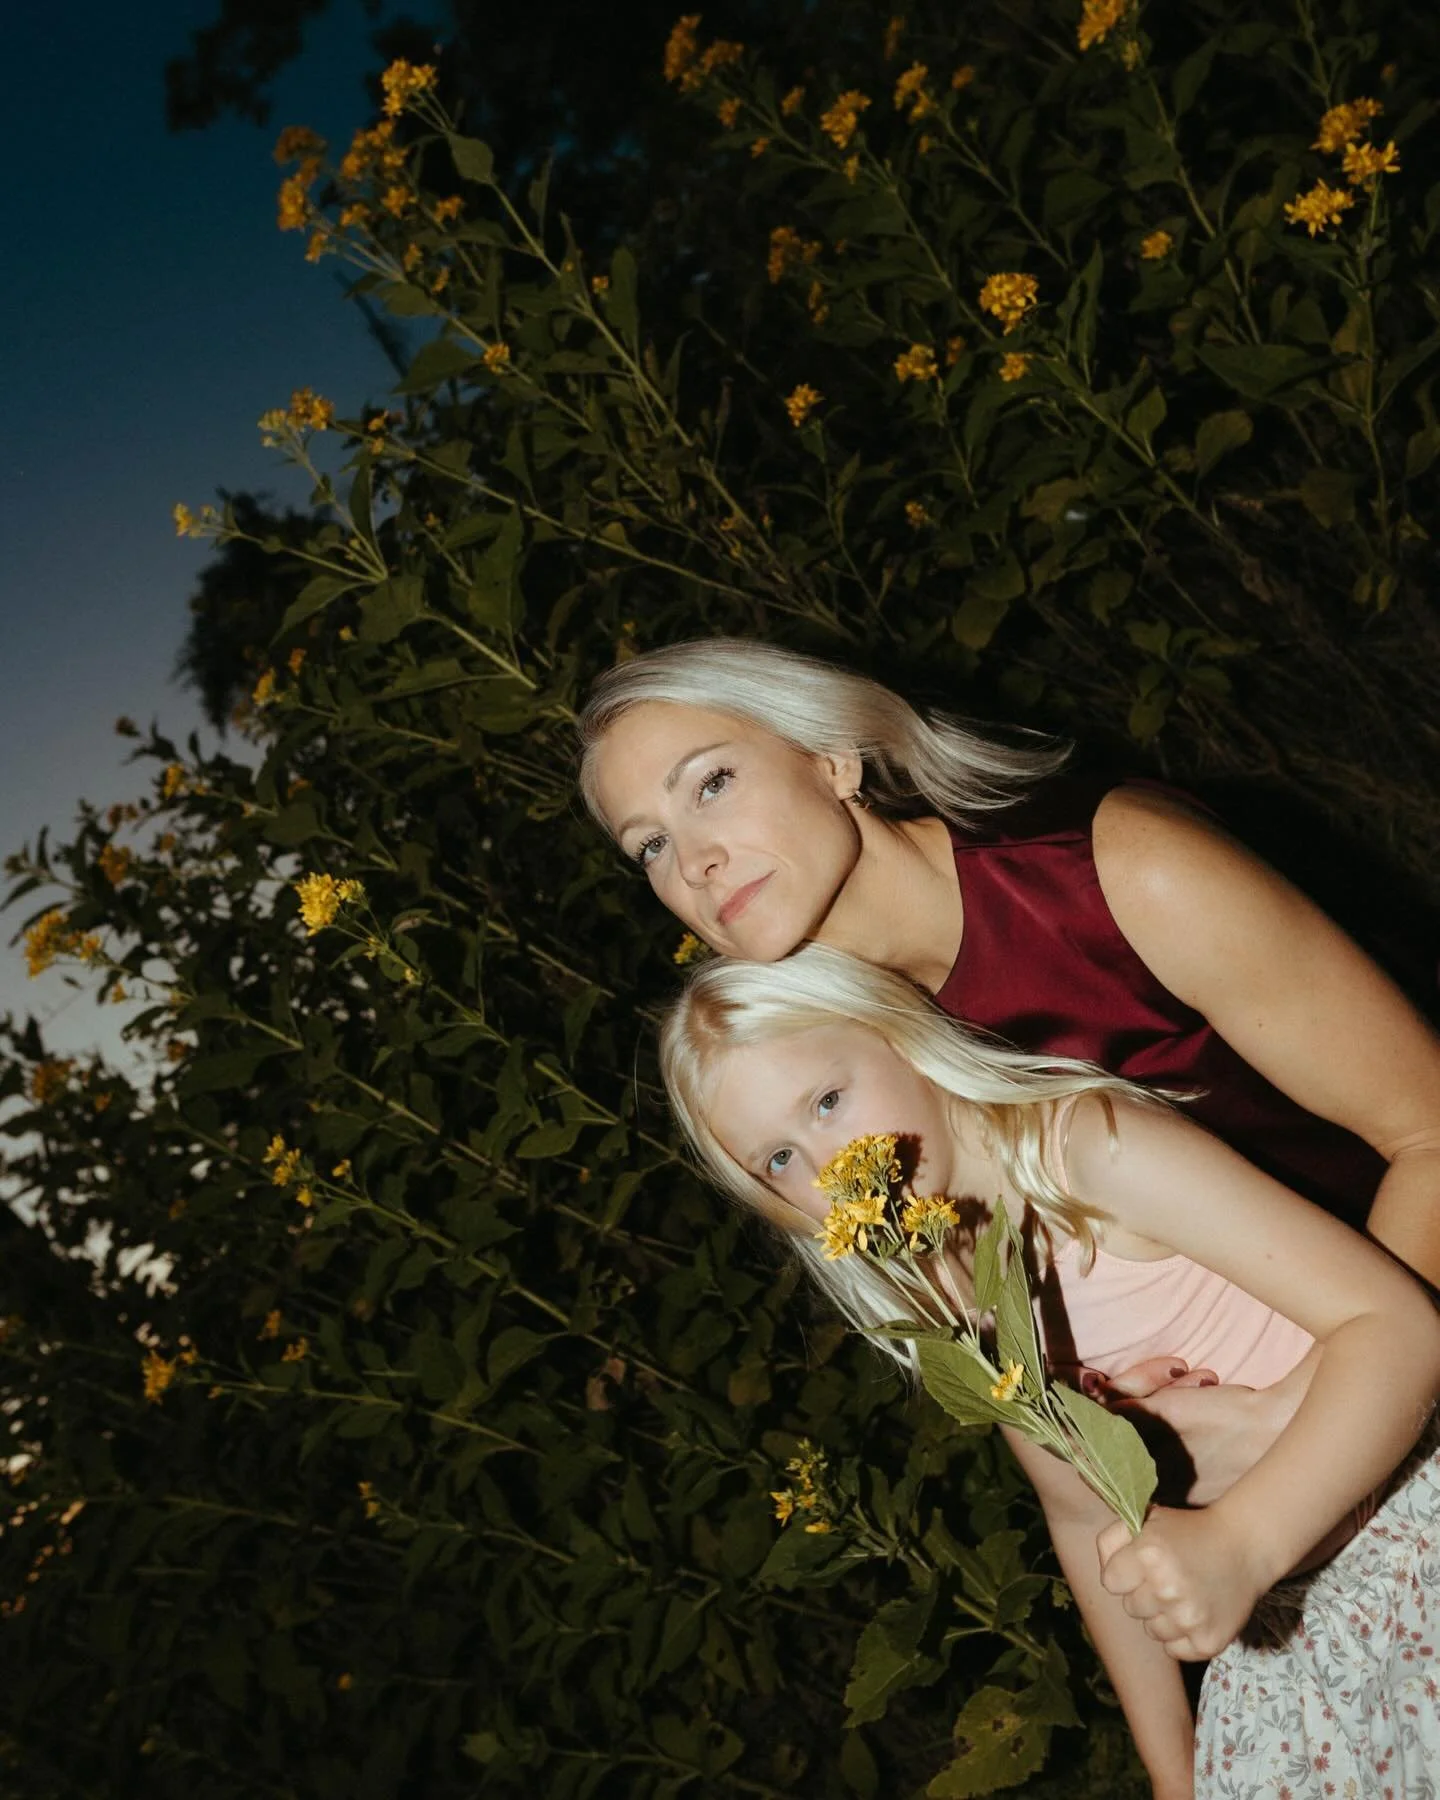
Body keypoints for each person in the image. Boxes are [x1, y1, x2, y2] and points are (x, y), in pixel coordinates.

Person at [579, 637, 1440, 1497]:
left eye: (712, 784)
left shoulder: (1117, 873)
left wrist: (1292, 1420)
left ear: (832, 757)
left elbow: (1429, 1134)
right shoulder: (811, 1073)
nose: (694, 862)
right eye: (649, 846)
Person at [659, 943, 1440, 1800]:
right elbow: (1079, 1515)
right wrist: (1171, 1766)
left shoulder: (1087, 1151)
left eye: (828, 1102)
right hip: (1286, 1597)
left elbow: (1398, 1325)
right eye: (778, 1161)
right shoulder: (949, 1288)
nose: (832, 1171)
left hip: (1400, 1497)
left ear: (896, 1030)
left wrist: (1240, 1541)